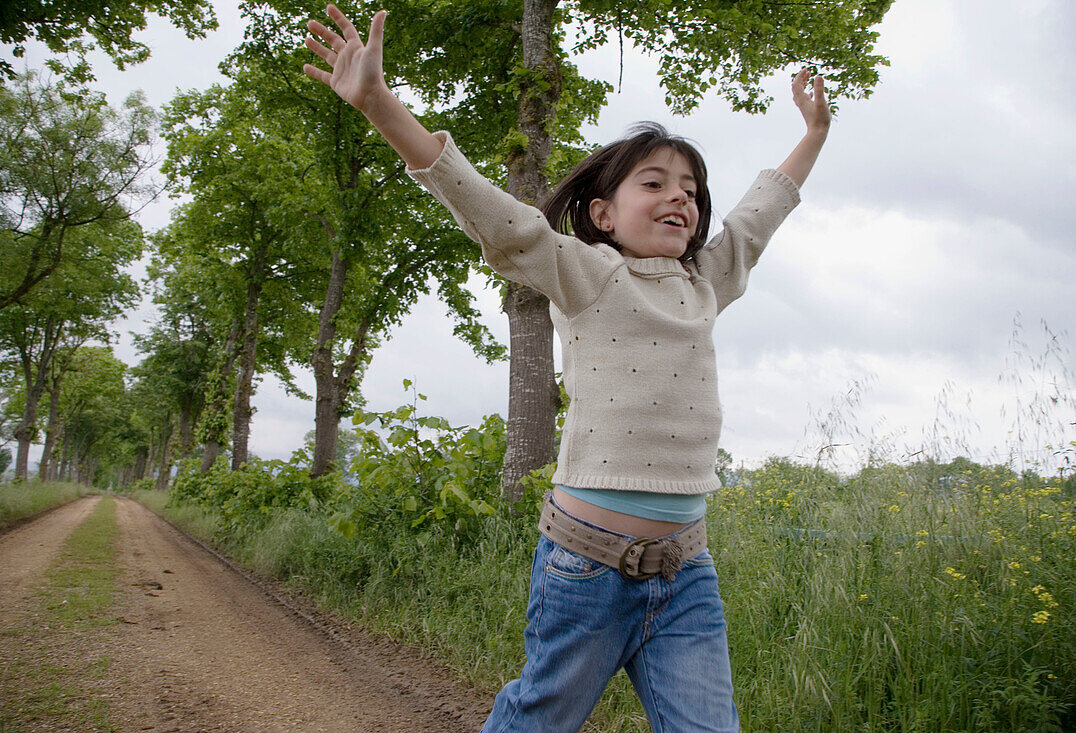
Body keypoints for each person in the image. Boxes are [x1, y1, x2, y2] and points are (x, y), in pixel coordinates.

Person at [303, 6, 831, 732]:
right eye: (654, 182)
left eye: (691, 187)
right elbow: (497, 217)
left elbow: (760, 211)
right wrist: (379, 104)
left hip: (686, 576)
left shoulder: (706, 281)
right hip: (586, 570)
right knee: (537, 719)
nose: (681, 195)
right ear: (604, 215)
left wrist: (813, 135)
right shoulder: (588, 273)